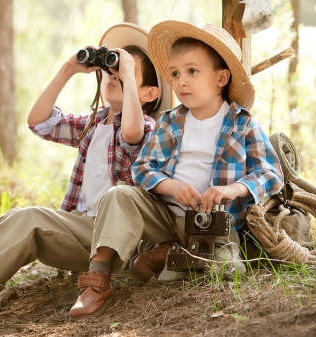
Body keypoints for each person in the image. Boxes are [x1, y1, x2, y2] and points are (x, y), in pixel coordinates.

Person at [0, 22, 174, 323]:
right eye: (111, 69)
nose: (114, 75)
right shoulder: (91, 124)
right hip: (85, 231)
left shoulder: (147, 127)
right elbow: (39, 121)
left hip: (121, 238)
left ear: (149, 93)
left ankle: (93, 282)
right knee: (23, 216)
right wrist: (69, 68)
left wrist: (128, 72)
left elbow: (132, 132)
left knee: (97, 199)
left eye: (126, 73)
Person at [101, 21, 284, 283]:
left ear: (221, 78)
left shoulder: (242, 124)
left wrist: (232, 189)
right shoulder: (169, 121)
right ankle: (107, 267)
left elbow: (271, 173)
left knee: (226, 270)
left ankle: (167, 254)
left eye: (192, 71)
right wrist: (172, 187)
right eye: (175, 74)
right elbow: (142, 168)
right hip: (167, 216)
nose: (181, 82)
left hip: (216, 224)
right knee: (121, 193)